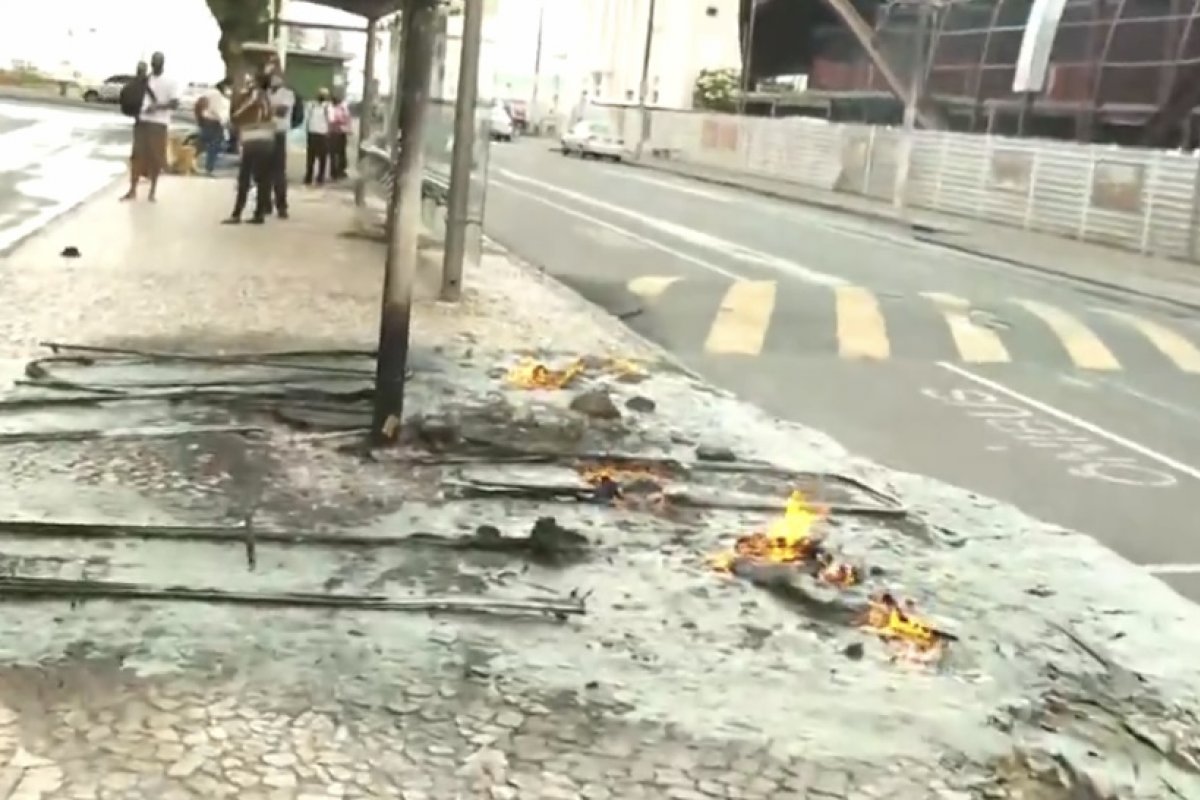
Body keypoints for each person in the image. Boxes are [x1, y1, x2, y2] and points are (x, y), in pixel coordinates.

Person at [122, 52, 179, 202]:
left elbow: (175, 103)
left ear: (163, 63)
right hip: (142, 121)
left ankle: (152, 191)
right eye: (153, 62)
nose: (155, 65)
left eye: (158, 62)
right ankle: (132, 190)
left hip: (159, 123)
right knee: (137, 156)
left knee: (156, 158)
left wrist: (157, 107)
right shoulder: (145, 80)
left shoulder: (170, 82)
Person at [223, 67, 275, 225]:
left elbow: (241, 112)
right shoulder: (269, 98)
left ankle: (237, 213)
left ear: (257, 82)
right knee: (263, 179)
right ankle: (259, 213)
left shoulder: (256, 94)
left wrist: (234, 118)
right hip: (267, 140)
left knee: (244, 177)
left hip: (253, 140)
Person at [267, 63, 301, 219]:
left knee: (279, 172)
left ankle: (281, 206)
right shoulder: (266, 92)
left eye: (275, 76)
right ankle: (265, 204)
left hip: (279, 134)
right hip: (265, 134)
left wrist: (264, 109)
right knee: (264, 172)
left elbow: (282, 111)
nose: (273, 79)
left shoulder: (287, 94)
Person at [195, 80, 230, 176]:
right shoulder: (217, 95)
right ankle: (209, 169)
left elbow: (199, 105)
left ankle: (188, 162)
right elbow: (216, 109)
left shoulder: (208, 93)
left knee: (201, 144)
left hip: (206, 121)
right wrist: (223, 121)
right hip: (214, 122)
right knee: (213, 147)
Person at [304, 88, 332, 186]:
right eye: (321, 94)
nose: (322, 96)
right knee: (310, 157)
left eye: (324, 94)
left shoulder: (328, 107)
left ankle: (320, 177)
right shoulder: (311, 105)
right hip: (312, 133)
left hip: (322, 134)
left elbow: (330, 119)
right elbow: (306, 118)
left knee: (322, 157)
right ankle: (308, 177)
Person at [328, 90, 351, 181]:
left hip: (339, 132)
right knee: (336, 153)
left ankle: (339, 171)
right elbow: (333, 120)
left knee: (340, 153)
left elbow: (347, 118)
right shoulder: (332, 108)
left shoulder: (342, 107)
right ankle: (335, 172)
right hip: (335, 133)